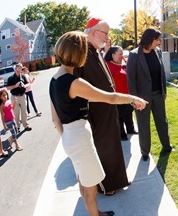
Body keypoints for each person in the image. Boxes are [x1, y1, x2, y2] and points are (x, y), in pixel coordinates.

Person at [50, 31, 147, 216]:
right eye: (84, 52)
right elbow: (110, 98)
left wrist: (68, 137)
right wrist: (132, 98)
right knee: (90, 187)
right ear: (78, 55)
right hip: (79, 138)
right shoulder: (73, 82)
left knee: (84, 180)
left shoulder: (55, 79)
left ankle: (96, 212)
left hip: (70, 136)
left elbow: (54, 119)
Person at [74, 17, 132, 195]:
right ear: (93, 32)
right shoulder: (82, 53)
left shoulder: (94, 51)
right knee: (105, 148)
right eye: (105, 33)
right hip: (97, 111)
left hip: (107, 108)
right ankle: (107, 185)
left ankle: (117, 180)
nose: (108, 38)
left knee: (113, 146)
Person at [126, 27, 172, 161]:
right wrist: (135, 99)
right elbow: (131, 80)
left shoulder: (157, 52)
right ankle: (145, 152)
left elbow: (161, 73)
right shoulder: (134, 55)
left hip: (158, 95)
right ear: (150, 39)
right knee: (144, 124)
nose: (159, 43)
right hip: (142, 98)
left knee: (162, 122)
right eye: (157, 40)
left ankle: (167, 146)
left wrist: (164, 91)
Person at [105, 46, 137, 141]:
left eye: (122, 53)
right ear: (113, 55)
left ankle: (130, 129)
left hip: (128, 93)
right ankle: (121, 134)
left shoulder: (123, 62)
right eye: (120, 54)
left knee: (129, 112)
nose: (122, 56)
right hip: (117, 96)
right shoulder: (107, 65)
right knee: (120, 116)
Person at [6, 63, 32, 132]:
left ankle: (26, 125)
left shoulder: (23, 76)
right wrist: (15, 86)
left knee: (24, 111)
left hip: (22, 95)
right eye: (18, 67)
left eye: (21, 68)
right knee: (16, 112)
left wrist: (25, 86)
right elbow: (8, 88)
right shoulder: (11, 78)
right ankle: (17, 126)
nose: (20, 69)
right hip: (14, 97)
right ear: (15, 68)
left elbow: (28, 83)